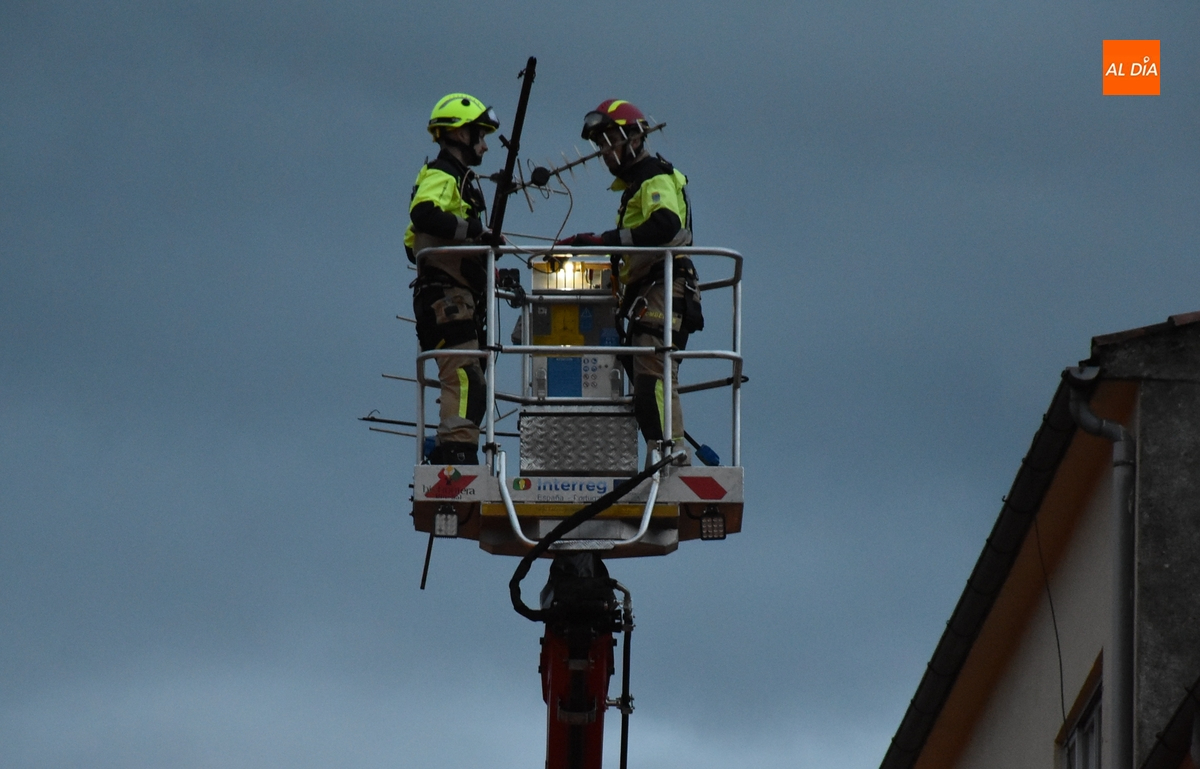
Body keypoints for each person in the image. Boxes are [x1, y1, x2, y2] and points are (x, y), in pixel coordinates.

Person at [557, 99, 703, 462]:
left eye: (610, 141)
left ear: (633, 138)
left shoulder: (653, 177)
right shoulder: (637, 184)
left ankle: (670, 455)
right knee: (646, 378)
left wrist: (603, 240)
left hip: (663, 288)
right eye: (600, 145)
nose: (605, 152)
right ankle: (664, 451)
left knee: (653, 375)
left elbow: (665, 224)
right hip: (649, 292)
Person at [405, 93, 500, 465]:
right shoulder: (442, 174)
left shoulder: (458, 180)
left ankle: (458, 448)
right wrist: (475, 229)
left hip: (457, 298)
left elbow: (410, 243)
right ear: (460, 134)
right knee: (465, 379)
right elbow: (423, 215)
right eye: (480, 134)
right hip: (445, 297)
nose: (485, 144)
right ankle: (456, 455)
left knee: (473, 379)